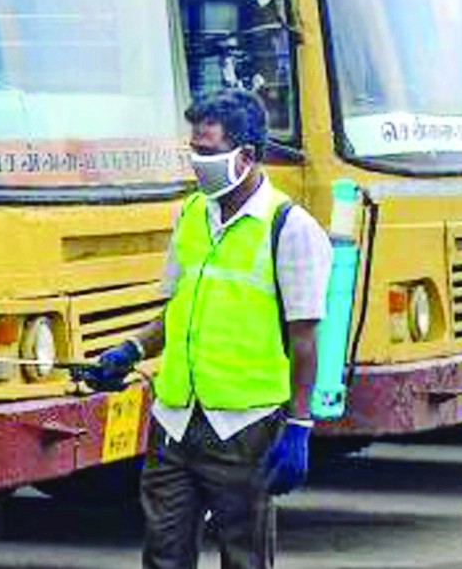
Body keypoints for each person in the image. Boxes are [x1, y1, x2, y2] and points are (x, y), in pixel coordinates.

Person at [74, 88, 333, 569]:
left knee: (245, 557)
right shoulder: (193, 213)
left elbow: (304, 341)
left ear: (247, 156)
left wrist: (299, 426)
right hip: (174, 420)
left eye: (209, 153)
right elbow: (179, 311)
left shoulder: (290, 229)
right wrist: (128, 351)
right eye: (193, 150)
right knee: (163, 555)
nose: (197, 162)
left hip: (245, 427)